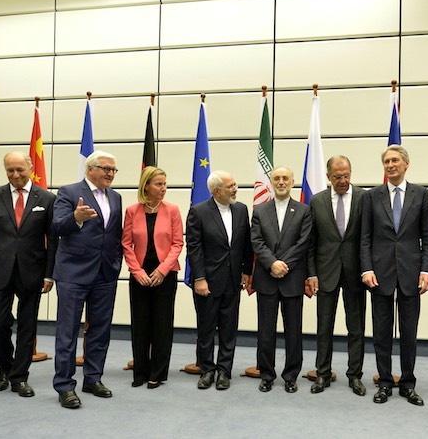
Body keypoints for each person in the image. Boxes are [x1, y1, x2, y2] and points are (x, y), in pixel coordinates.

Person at [0, 152, 57, 398]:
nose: (15, 175)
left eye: (20, 169)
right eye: (10, 170)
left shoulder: (47, 198)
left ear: (30, 168)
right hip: (0, 270)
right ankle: (5, 368)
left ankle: (19, 377)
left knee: (27, 326)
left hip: (33, 270)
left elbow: (53, 240)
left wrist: (49, 274)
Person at [360, 145, 428, 406]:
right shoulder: (371, 196)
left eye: (395, 161)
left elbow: (427, 236)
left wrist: (426, 270)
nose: (390, 165)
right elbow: (365, 237)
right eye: (386, 161)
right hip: (379, 273)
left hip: (412, 273)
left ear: (406, 164)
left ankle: (408, 383)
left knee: (408, 331)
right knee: (381, 331)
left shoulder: (422, 194)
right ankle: (385, 382)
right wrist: (366, 268)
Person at [51, 150, 123, 409]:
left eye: (114, 170)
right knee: (68, 332)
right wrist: (75, 219)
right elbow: (56, 226)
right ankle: (64, 386)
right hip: (73, 273)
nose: (110, 174)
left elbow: (114, 234)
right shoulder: (69, 192)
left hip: (105, 273)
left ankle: (93, 378)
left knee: (100, 330)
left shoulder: (116, 197)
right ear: (90, 169)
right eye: (106, 169)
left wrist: (116, 264)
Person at [186, 170, 253, 390]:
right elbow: (194, 249)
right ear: (216, 191)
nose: (235, 189)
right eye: (230, 186)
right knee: (206, 329)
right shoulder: (199, 212)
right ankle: (207, 370)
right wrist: (199, 278)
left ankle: (224, 371)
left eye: (235, 184)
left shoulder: (241, 210)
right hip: (208, 281)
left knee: (228, 328)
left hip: (233, 280)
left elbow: (245, 245)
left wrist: (246, 271)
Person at [308, 155, 368, 396]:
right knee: (324, 326)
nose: (343, 181)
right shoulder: (317, 201)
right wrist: (311, 273)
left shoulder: (365, 198)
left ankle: (355, 375)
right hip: (325, 272)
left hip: (355, 273)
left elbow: (368, 238)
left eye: (346, 176)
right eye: (337, 177)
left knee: (356, 327)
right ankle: (323, 373)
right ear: (328, 177)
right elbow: (311, 243)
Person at [122, 167, 184, 389]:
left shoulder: (173, 210)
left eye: (165, 184)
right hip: (139, 275)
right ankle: (140, 372)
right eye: (158, 184)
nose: (163, 189)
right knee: (140, 324)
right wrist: (137, 272)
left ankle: (157, 373)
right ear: (146, 186)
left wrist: (162, 270)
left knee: (162, 324)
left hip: (165, 274)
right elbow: (126, 244)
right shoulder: (132, 210)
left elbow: (178, 243)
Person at [251, 166, 311, 393]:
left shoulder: (304, 210)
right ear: (271, 183)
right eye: (277, 178)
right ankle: (266, 374)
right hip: (266, 278)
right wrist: (272, 263)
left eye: (285, 178)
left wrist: (283, 264)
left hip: (292, 278)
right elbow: (256, 241)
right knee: (265, 330)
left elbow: (303, 242)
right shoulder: (259, 210)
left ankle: (291, 375)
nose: (281, 182)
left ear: (292, 182)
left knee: (293, 330)